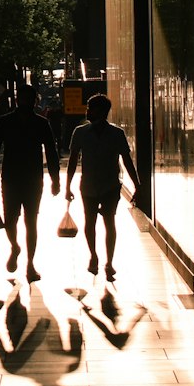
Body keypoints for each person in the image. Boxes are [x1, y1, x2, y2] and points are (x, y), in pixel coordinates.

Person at [0, 83, 60, 283]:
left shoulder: (41, 123)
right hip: (11, 177)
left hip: (32, 179)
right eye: (22, 98)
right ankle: (15, 246)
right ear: (18, 100)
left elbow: (52, 153)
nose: (24, 102)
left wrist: (55, 179)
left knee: (31, 221)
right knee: (10, 220)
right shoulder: (5, 122)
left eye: (28, 99)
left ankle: (30, 263)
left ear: (33, 101)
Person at [64, 93, 141, 281]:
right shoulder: (80, 132)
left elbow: (127, 161)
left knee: (109, 222)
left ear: (102, 111)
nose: (87, 111)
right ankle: (94, 255)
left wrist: (137, 185)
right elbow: (72, 162)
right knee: (90, 222)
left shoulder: (117, 133)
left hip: (110, 185)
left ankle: (109, 261)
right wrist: (67, 186)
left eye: (91, 108)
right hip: (90, 185)